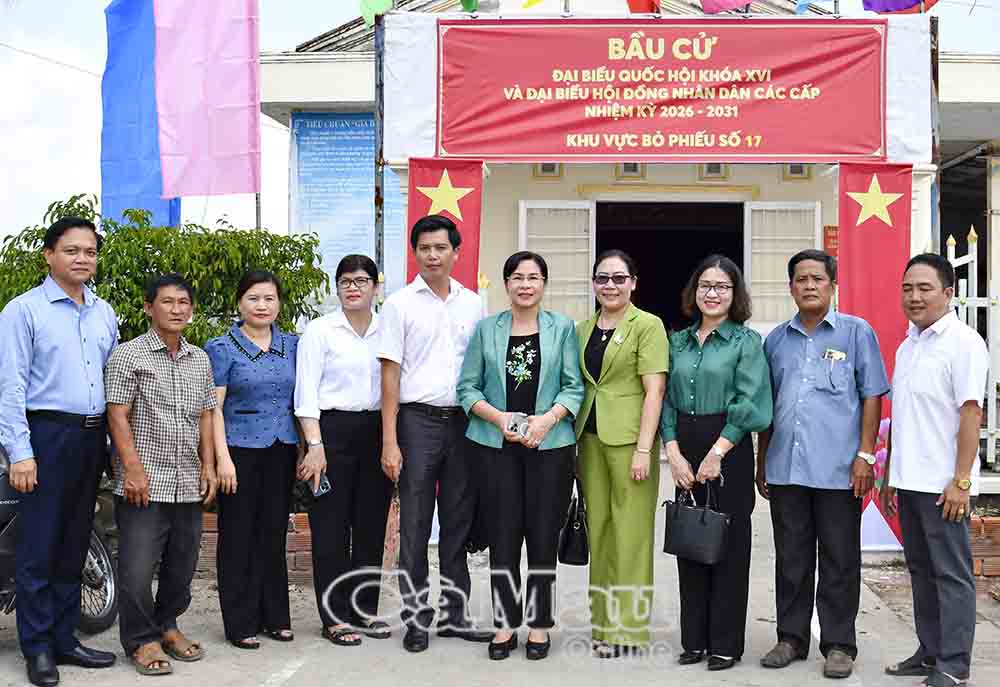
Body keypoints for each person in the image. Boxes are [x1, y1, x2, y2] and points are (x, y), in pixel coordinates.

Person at [756, 249, 889, 679]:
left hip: (840, 470)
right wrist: (762, 460)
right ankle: (791, 638)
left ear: (833, 285)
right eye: (801, 279)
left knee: (839, 558)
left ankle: (838, 644)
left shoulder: (856, 333)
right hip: (786, 467)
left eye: (817, 278)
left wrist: (865, 455)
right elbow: (767, 406)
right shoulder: (776, 340)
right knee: (791, 557)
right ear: (790, 287)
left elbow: (872, 395)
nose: (809, 285)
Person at [0, 217, 118, 687]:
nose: (82, 259)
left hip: (91, 437)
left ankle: (66, 639)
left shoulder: (103, 312)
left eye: (89, 251)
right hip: (45, 436)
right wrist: (20, 452)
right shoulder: (23, 311)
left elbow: (111, 380)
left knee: (74, 542)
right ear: (49, 255)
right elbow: (10, 387)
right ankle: (37, 648)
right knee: (39, 546)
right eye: (71, 250)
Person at [457, 251, 584, 661]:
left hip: (550, 448)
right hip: (496, 450)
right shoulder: (486, 329)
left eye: (533, 277)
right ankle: (504, 624)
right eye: (517, 277)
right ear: (506, 283)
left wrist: (546, 421)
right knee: (503, 538)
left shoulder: (562, 328)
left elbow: (574, 387)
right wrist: (500, 419)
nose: (525, 284)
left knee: (543, 538)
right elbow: (467, 388)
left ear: (544, 284)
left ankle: (540, 625)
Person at [377, 215, 492, 653]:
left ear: (456, 252)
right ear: (415, 253)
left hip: (464, 423)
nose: (432, 255)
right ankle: (416, 618)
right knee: (415, 524)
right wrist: (390, 440)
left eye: (441, 247)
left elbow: (482, 368)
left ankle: (456, 614)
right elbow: (390, 375)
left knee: (458, 522)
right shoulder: (399, 305)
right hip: (416, 423)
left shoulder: (473, 304)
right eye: (424, 248)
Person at [881, 254, 988, 687]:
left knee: (951, 575)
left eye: (924, 288)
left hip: (944, 486)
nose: (914, 296)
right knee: (921, 572)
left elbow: (971, 413)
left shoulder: (964, 343)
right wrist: (890, 477)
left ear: (948, 293)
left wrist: (961, 481)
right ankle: (929, 652)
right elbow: (902, 417)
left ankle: (954, 664)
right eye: (907, 288)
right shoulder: (908, 345)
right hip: (908, 481)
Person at [661, 254, 772, 672]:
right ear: (694, 292)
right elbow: (666, 400)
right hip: (684, 444)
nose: (712, 293)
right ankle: (694, 641)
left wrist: (717, 452)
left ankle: (725, 644)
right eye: (705, 285)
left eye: (722, 287)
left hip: (729, 445)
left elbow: (750, 401)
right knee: (691, 538)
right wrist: (672, 452)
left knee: (728, 544)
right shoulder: (678, 342)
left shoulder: (746, 342)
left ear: (734, 294)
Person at [105, 273, 219, 676]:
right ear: (148, 308)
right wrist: (132, 469)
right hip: (144, 481)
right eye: (167, 302)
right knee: (137, 568)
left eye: (183, 302)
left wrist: (209, 465)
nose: (176, 309)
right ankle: (141, 640)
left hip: (187, 479)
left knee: (182, 564)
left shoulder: (199, 358)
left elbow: (207, 415)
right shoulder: (129, 355)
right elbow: (117, 415)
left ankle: (168, 626)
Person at [295, 254, 394, 646]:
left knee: (370, 527)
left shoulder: (389, 329)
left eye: (361, 281)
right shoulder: (320, 331)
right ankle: (334, 618)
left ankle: (363, 610)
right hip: (331, 433)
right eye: (345, 282)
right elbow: (306, 394)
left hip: (377, 431)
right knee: (330, 529)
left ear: (375, 287)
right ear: (337, 288)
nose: (353, 288)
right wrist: (314, 445)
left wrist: (393, 442)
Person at [575, 249, 668, 658]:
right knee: (600, 532)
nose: (609, 286)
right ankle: (602, 624)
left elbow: (655, 390)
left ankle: (628, 630)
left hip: (631, 442)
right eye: (602, 278)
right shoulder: (582, 328)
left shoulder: (647, 325)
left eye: (618, 278)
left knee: (630, 536)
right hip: (589, 440)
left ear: (633, 283)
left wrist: (645, 449)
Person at [205, 270, 299, 650]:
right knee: (237, 535)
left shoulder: (293, 344)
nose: (262, 306)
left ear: (279, 303)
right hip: (238, 451)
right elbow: (214, 408)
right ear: (239, 303)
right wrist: (221, 460)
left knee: (273, 533)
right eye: (254, 298)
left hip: (282, 449)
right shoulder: (222, 347)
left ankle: (274, 616)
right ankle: (240, 621)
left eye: (269, 298)